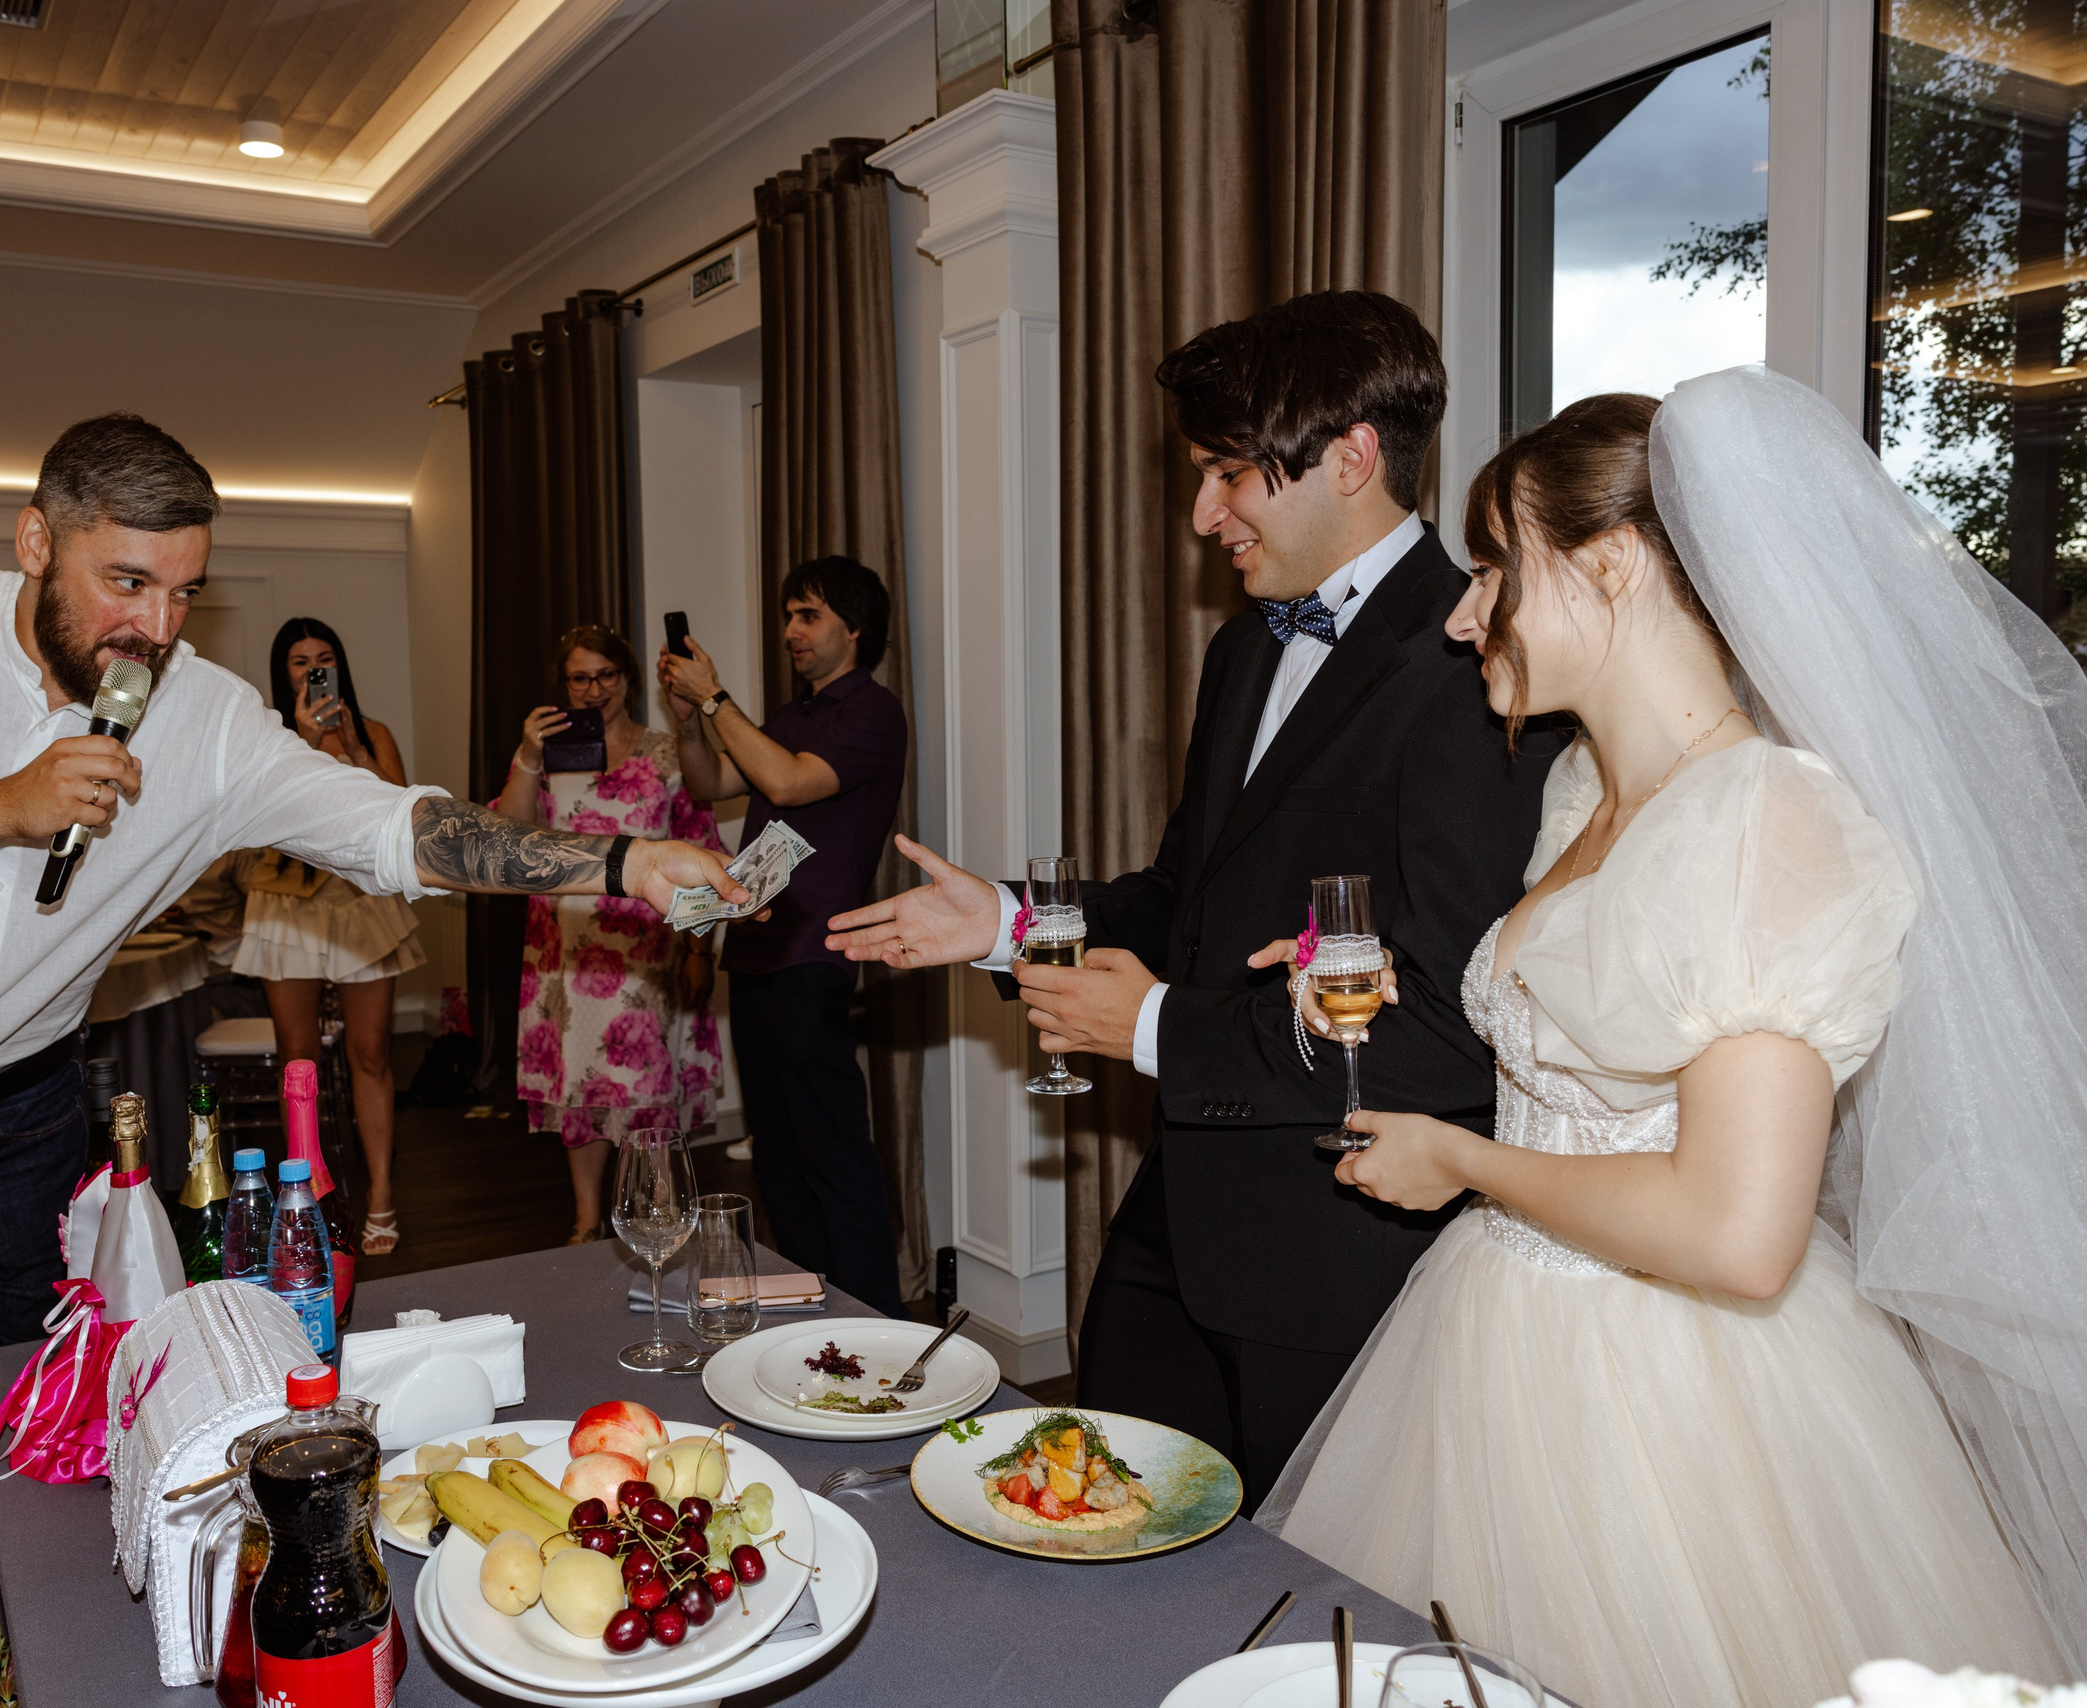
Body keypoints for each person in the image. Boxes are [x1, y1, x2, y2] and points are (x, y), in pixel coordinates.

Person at [0, 413, 747, 1708]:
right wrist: (4, 805)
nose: (155, 628)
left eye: (184, 593)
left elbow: (400, 830)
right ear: (35, 541)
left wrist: (621, 861)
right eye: (126, 582)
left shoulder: (208, 723)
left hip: (11, 1133)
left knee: (46, 1463)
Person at [1256, 376, 2076, 1701]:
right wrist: (1376, 986)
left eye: (1493, 569)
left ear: (1612, 564)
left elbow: (1739, 1237)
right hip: (1499, 1344)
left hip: (1675, 1399)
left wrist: (1461, 1164)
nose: (1462, 615)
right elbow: (1588, 1036)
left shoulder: (1768, 821)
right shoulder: (1582, 790)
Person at [825, 293, 1559, 1489]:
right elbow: (1187, 901)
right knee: (1102, 1512)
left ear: (1350, 458)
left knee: (1292, 1586)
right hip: (1177, 1220)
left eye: (1227, 475)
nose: (1202, 514)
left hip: (1340, 1259)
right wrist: (1008, 924)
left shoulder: (1475, 665)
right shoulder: (1242, 648)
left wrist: (1157, 1028)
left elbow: (1445, 1026)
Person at [662, 558, 910, 1318]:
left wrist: (717, 697)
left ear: (854, 627)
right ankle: (811, 1310)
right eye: (789, 617)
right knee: (776, 1152)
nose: (792, 632)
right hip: (757, 949)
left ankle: (874, 1317)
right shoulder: (790, 715)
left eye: (808, 615)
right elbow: (710, 784)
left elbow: (788, 783)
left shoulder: (872, 712)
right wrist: (691, 720)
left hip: (814, 956)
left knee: (833, 1150)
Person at [493, 624, 726, 1243]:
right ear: (563, 685)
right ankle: (586, 1219)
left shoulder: (667, 755)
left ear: (629, 679)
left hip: (647, 954)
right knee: (578, 1082)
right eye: (580, 679)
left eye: (606, 676)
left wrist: (700, 950)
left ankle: (658, 1216)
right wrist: (528, 756)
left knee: (645, 1085)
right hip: (564, 951)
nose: (594, 690)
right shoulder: (548, 755)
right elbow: (506, 838)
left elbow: (701, 851)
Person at [236, 617, 427, 1255]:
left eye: (324, 657)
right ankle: (307, 1199)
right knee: (299, 1062)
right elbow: (258, 820)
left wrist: (351, 747)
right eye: (300, 661)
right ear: (283, 672)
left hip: (360, 904)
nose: (313, 669)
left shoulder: (371, 732)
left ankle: (381, 1194)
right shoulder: (269, 736)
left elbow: (402, 816)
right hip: (288, 903)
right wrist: (306, 744)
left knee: (370, 1054)